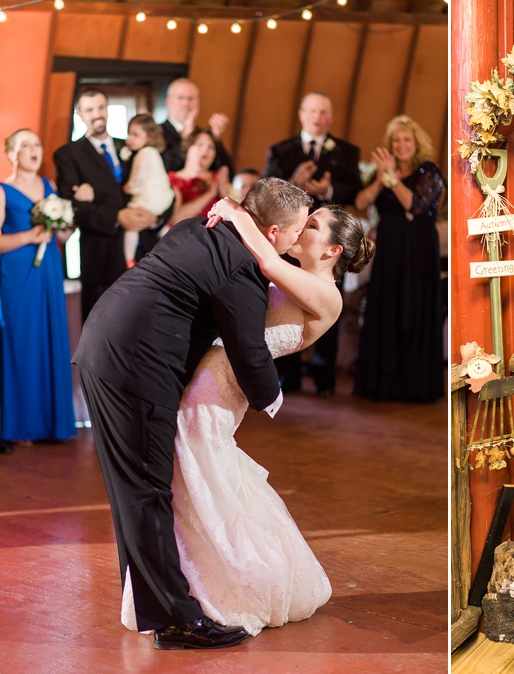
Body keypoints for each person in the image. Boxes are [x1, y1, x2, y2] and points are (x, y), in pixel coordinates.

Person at [118, 195, 374, 638]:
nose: (301, 230)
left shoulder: (325, 295)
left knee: (193, 468)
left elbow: (270, 267)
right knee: (190, 475)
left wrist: (239, 213)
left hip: (221, 389)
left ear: (332, 251)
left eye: (311, 226)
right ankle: (180, 588)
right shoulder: (290, 270)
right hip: (209, 373)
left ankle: (213, 589)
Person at [72, 178, 309, 649]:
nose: (300, 240)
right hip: (134, 367)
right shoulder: (242, 266)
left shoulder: (197, 226)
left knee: (133, 492)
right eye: (298, 231)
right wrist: (271, 398)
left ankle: (151, 605)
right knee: (146, 492)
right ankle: (177, 621)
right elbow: (248, 349)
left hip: (104, 347)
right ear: (275, 230)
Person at [263, 91, 363, 396]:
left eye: (324, 113)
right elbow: (266, 189)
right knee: (286, 302)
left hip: (329, 243)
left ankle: (324, 377)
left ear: (330, 118)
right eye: (313, 111)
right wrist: (294, 181)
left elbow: (355, 190)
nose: (319, 118)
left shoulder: (347, 151)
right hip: (291, 239)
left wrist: (328, 188)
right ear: (302, 114)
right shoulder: (281, 150)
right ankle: (287, 376)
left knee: (324, 302)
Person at [353, 115, 445, 402]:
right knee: (386, 304)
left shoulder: (429, 171)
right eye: (396, 139)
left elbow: (414, 205)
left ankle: (414, 385)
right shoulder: (383, 170)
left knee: (413, 306)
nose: (401, 144)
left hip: (418, 248)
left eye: (406, 139)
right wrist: (381, 180)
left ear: (416, 143)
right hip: (390, 248)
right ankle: (383, 383)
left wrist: (392, 178)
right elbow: (360, 202)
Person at [53, 88, 159, 321]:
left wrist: (156, 217)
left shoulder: (130, 146)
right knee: (102, 327)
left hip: (145, 253)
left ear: (108, 110)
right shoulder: (68, 154)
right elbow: (72, 207)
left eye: (101, 107)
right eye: (90, 109)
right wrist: (117, 217)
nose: (97, 114)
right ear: (80, 114)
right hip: (99, 256)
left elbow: (158, 182)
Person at [0, 129, 76, 445]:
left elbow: (62, 237)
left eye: (37, 144)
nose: (34, 149)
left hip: (48, 271)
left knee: (48, 339)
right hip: (16, 277)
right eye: (25, 144)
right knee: (21, 343)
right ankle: (20, 426)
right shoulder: (3, 190)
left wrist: (65, 222)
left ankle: (50, 422)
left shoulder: (50, 187)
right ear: (11, 154)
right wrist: (29, 237)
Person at [120, 114, 174, 266]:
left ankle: (129, 259)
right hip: (162, 197)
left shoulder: (144, 153)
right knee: (161, 228)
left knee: (132, 224)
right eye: (129, 134)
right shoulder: (154, 152)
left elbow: (140, 177)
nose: (130, 139)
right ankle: (174, 247)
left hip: (150, 198)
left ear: (149, 136)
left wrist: (129, 188)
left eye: (135, 135)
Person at [160, 78, 234, 176]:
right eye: (180, 98)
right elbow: (164, 169)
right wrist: (186, 140)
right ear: (169, 102)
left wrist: (216, 139)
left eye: (190, 98)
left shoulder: (203, 135)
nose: (186, 103)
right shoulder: (156, 132)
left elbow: (227, 173)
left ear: (198, 102)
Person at [168, 128, 229, 225]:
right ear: (188, 148)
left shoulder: (220, 179)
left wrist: (224, 196)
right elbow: (176, 219)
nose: (206, 149)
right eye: (200, 144)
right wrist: (210, 193)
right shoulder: (173, 180)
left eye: (211, 147)